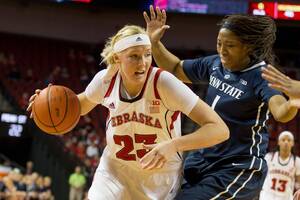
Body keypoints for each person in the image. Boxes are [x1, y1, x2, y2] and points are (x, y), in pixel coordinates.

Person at [27, 25, 229, 199]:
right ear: (117, 58)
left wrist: (173, 145)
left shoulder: (164, 83)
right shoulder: (105, 80)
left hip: (159, 177)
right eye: (134, 56)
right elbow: (77, 107)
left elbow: (219, 129)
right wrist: (45, 103)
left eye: (147, 54)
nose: (143, 63)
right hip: (114, 170)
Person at [143, 5, 298, 199]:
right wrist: (155, 43)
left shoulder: (262, 76)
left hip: (237, 167)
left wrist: (294, 100)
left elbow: (281, 112)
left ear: (248, 46)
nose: (222, 50)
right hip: (202, 159)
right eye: (219, 43)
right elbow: (175, 68)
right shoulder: (215, 64)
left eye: (230, 45)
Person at [259, 131, 300, 200]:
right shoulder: (269, 157)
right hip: (267, 195)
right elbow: (261, 176)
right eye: (283, 140)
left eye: (289, 140)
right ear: (278, 142)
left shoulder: (297, 161)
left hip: (286, 197)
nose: (286, 142)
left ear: (293, 143)